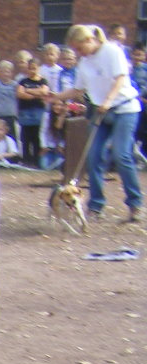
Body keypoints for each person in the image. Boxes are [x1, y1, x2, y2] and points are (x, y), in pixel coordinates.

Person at [56, 23, 142, 222]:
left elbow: (120, 79)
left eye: (79, 48)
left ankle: (135, 203)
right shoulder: (84, 63)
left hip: (124, 109)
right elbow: (78, 90)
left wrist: (108, 100)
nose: (78, 53)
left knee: (121, 154)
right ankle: (96, 205)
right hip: (100, 113)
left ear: (89, 40)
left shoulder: (112, 51)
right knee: (93, 156)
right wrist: (55, 96)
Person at [15, 57, 50, 167]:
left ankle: (36, 161)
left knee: (36, 138)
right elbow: (20, 94)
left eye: (34, 68)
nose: (32, 71)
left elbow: (44, 91)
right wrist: (36, 94)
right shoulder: (23, 81)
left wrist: (28, 90)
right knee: (25, 138)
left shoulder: (43, 81)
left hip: (38, 112)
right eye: (30, 68)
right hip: (25, 112)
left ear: (38, 68)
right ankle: (26, 161)